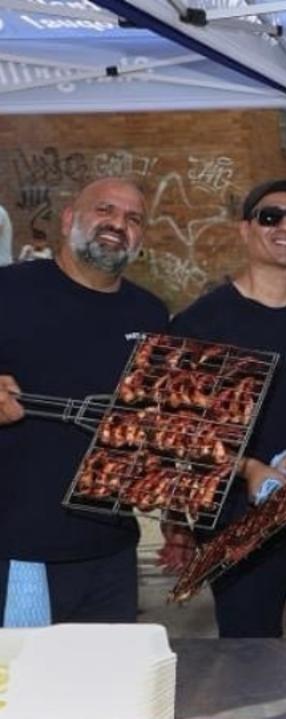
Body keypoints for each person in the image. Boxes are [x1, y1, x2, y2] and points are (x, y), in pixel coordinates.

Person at [167, 179, 286, 638]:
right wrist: (249, 468)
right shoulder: (203, 321)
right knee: (249, 657)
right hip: (237, 512)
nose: (285, 226)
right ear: (245, 229)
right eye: (270, 216)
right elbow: (180, 429)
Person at [0, 178, 168, 625]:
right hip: (20, 552)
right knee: (22, 687)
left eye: (133, 219)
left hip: (111, 552)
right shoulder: (9, 291)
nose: (118, 225)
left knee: (106, 687)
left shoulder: (150, 314)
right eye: (105, 210)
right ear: (70, 218)